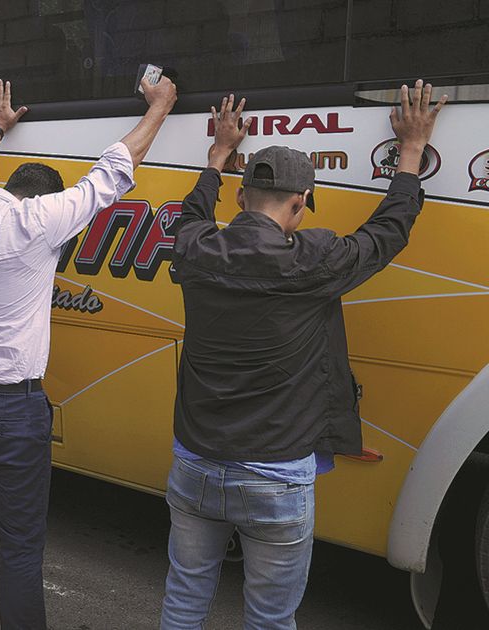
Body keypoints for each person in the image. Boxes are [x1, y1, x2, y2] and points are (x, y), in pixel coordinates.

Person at [159, 82, 446, 629]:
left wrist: (218, 155)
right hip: (275, 477)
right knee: (270, 619)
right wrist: (411, 152)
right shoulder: (315, 260)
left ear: (241, 200)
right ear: (298, 205)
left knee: (184, 599)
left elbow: (192, 214)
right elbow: (387, 233)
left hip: (195, 463)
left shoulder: (194, 250)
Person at [0, 78, 178, 628]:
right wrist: (162, 107)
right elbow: (114, 169)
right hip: (9, 411)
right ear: (44, 198)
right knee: (20, 546)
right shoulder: (39, 221)